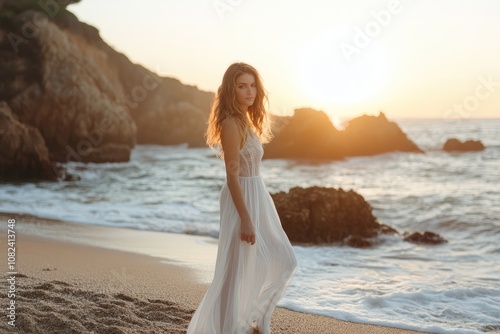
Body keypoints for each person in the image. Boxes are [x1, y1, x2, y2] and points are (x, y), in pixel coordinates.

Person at [187, 62, 297, 334]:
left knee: (284, 258)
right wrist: (246, 218)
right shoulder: (232, 125)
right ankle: (230, 327)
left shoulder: (247, 121)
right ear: (231, 90)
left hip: (258, 195)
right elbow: (232, 177)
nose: (250, 91)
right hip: (241, 199)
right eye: (242, 86)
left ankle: (255, 320)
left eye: (252, 85)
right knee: (235, 269)